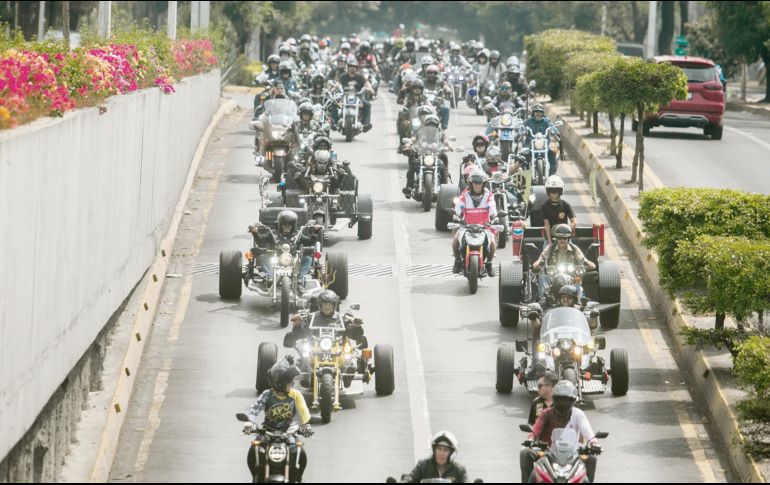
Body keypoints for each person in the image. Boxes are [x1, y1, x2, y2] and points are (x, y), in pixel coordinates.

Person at [245, 358, 313, 483]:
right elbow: (256, 408)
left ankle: (297, 478)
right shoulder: (267, 394)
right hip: (267, 431)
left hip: (288, 432)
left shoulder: (295, 395)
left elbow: (303, 410)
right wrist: (250, 422)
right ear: (280, 383)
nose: (292, 383)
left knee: (300, 452)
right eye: (289, 382)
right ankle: (256, 477)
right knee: (253, 449)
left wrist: (306, 425)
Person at [521, 380, 598, 483]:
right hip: (547, 452)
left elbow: (588, 432)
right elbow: (535, 430)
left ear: (573, 400)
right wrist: (530, 439)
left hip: (573, 453)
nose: (563, 403)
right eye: (560, 399)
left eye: (567, 400)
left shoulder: (578, 414)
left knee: (591, 459)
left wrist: (594, 443)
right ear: (555, 399)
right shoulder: (546, 413)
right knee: (525, 453)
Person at [248, 210, 322, 282]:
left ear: (293, 226)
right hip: (275, 259)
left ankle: (301, 278)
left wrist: (315, 232)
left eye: (289, 225)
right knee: (263, 257)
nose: (287, 226)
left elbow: (310, 242)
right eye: (284, 225)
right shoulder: (273, 234)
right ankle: (270, 277)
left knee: (308, 259)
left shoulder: (297, 235)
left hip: (294, 260)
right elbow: (261, 239)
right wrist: (255, 233)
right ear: (280, 225)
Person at [532, 224, 596, 306]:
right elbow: (540, 259)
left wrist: (586, 264)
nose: (562, 240)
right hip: (553, 278)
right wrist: (538, 263)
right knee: (542, 277)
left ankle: (578, 301)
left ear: (568, 239)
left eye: (565, 238)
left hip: (571, 278)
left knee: (578, 279)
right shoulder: (550, 248)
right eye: (559, 238)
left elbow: (584, 260)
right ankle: (544, 301)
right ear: (556, 239)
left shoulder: (575, 249)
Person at [285, 289, 368, 350]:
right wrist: (298, 324)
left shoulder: (343, 319)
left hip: (339, 350)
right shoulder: (311, 318)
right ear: (320, 305)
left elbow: (354, 336)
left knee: (352, 363)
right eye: (324, 304)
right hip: (313, 350)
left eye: (330, 304)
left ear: (334, 305)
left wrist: (357, 326)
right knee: (296, 365)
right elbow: (300, 335)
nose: (327, 307)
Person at [452, 168, 498, 276]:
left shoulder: (488, 195)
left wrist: (495, 217)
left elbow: (492, 207)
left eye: (479, 183)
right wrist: (456, 216)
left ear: (483, 184)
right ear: (471, 184)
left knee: (492, 243)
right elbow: (458, 207)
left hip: (484, 227)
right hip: (467, 227)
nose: (477, 186)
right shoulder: (464, 194)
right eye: (475, 183)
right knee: (455, 241)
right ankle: (457, 261)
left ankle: (489, 264)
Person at [402, 113, 452, 197]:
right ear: (425, 125)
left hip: (435, 154)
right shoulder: (421, 132)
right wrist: (409, 143)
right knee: (413, 165)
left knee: (443, 161)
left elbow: (445, 140)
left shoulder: (440, 133)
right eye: (429, 124)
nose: (431, 126)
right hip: (423, 154)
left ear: (436, 125)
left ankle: (445, 187)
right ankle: (409, 187)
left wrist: (449, 146)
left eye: (433, 125)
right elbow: (414, 138)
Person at [402, 431, 469, 483]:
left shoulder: (459, 470)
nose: (441, 453)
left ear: (451, 453)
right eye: (439, 449)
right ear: (434, 450)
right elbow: (410, 478)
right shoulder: (423, 466)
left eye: (445, 450)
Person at [339, 58, 375, 132]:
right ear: (348, 67)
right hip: (344, 97)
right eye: (351, 66)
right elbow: (338, 84)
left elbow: (366, 83)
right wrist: (334, 87)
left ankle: (366, 123)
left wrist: (370, 89)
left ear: (356, 68)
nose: (352, 68)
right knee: (334, 103)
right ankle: (333, 122)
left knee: (367, 104)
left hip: (357, 97)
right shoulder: (343, 76)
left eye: (354, 66)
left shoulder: (360, 76)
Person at [524, 104, 559, 176]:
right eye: (536, 111)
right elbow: (522, 127)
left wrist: (554, 130)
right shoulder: (528, 121)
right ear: (533, 113)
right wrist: (522, 130)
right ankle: (524, 173)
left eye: (540, 112)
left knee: (551, 152)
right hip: (530, 143)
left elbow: (552, 126)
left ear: (542, 113)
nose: (538, 113)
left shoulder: (546, 121)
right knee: (522, 155)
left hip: (544, 143)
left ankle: (552, 172)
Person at [540, 175, 576, 243]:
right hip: (550, 237)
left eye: (556, 191)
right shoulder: (544, 207)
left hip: (565, 238)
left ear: (560, 191)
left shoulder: (566, 205)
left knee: (572, 249)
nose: (554, 194)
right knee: (546, 250)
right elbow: (546, 224)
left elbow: (573, 222)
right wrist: (549, 242)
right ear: (548, 192)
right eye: (551, 191)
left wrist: (565, 231)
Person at [424, 64, 450, 129]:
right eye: (430, 73)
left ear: (437, 74)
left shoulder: (440, 82)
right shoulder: (422, 82)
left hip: (436, 104)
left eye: (434, 73)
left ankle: (443, 128)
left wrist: (447, 88)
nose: (432, 75)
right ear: (427, 74)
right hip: (423, 104)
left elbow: (445, 85)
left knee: (445, 109)